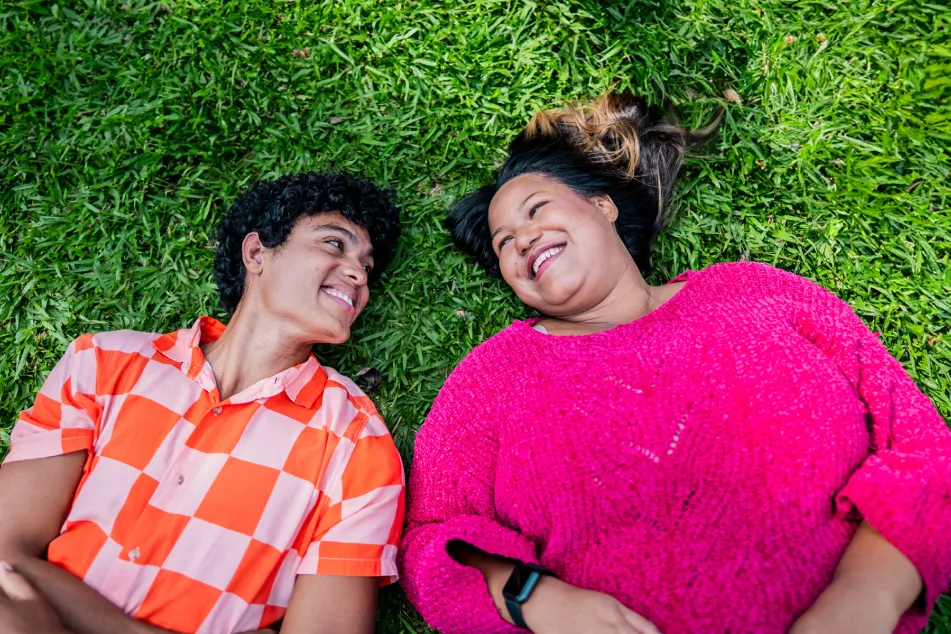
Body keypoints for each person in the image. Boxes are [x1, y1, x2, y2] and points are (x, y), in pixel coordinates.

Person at [399, 91, 951, 634]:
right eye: (503, 244)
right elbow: (432, 539)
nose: (522, 240)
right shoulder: (490, 377)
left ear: (602, 205)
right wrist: (532, 596)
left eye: (536, 210)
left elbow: (921, 444)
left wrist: (866, 597)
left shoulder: (755, 292)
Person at [0, 172, 406, 634]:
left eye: (367, 267)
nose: (357, 274)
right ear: (256, 253)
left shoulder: (355, 441)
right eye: (335, 244)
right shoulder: (104, 362)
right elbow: (7, 552)